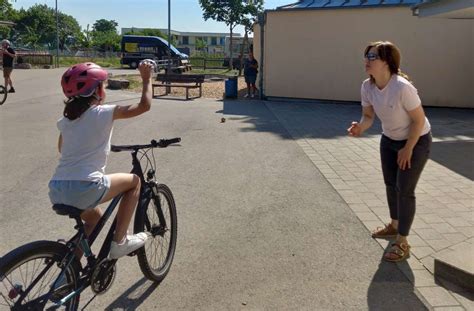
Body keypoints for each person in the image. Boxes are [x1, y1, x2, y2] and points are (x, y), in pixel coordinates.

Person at [49, 61, 154, 259]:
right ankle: (120, 241)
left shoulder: (66, 121)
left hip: (57, 188)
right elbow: (144, 106)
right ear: (97, 89)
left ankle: (68, 269)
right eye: (103, 85)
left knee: (94, 221)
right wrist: (147, 78)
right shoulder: (104, 112)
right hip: (85, 186)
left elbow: (63, 149)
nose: (104, 88)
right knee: (135, 182)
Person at [347, 41, 432, 262]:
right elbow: (368, 116)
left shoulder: (402, 87)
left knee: (404, 189)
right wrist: (360, 128)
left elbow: (418, 119)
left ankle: (402, 241)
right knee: (390, 184)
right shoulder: (367, 86)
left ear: (387, 62)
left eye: (372, 56)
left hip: (417, 140)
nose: (366, 60)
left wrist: (408, 148)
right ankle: (394, 226)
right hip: (389, 140)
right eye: (366, 55)